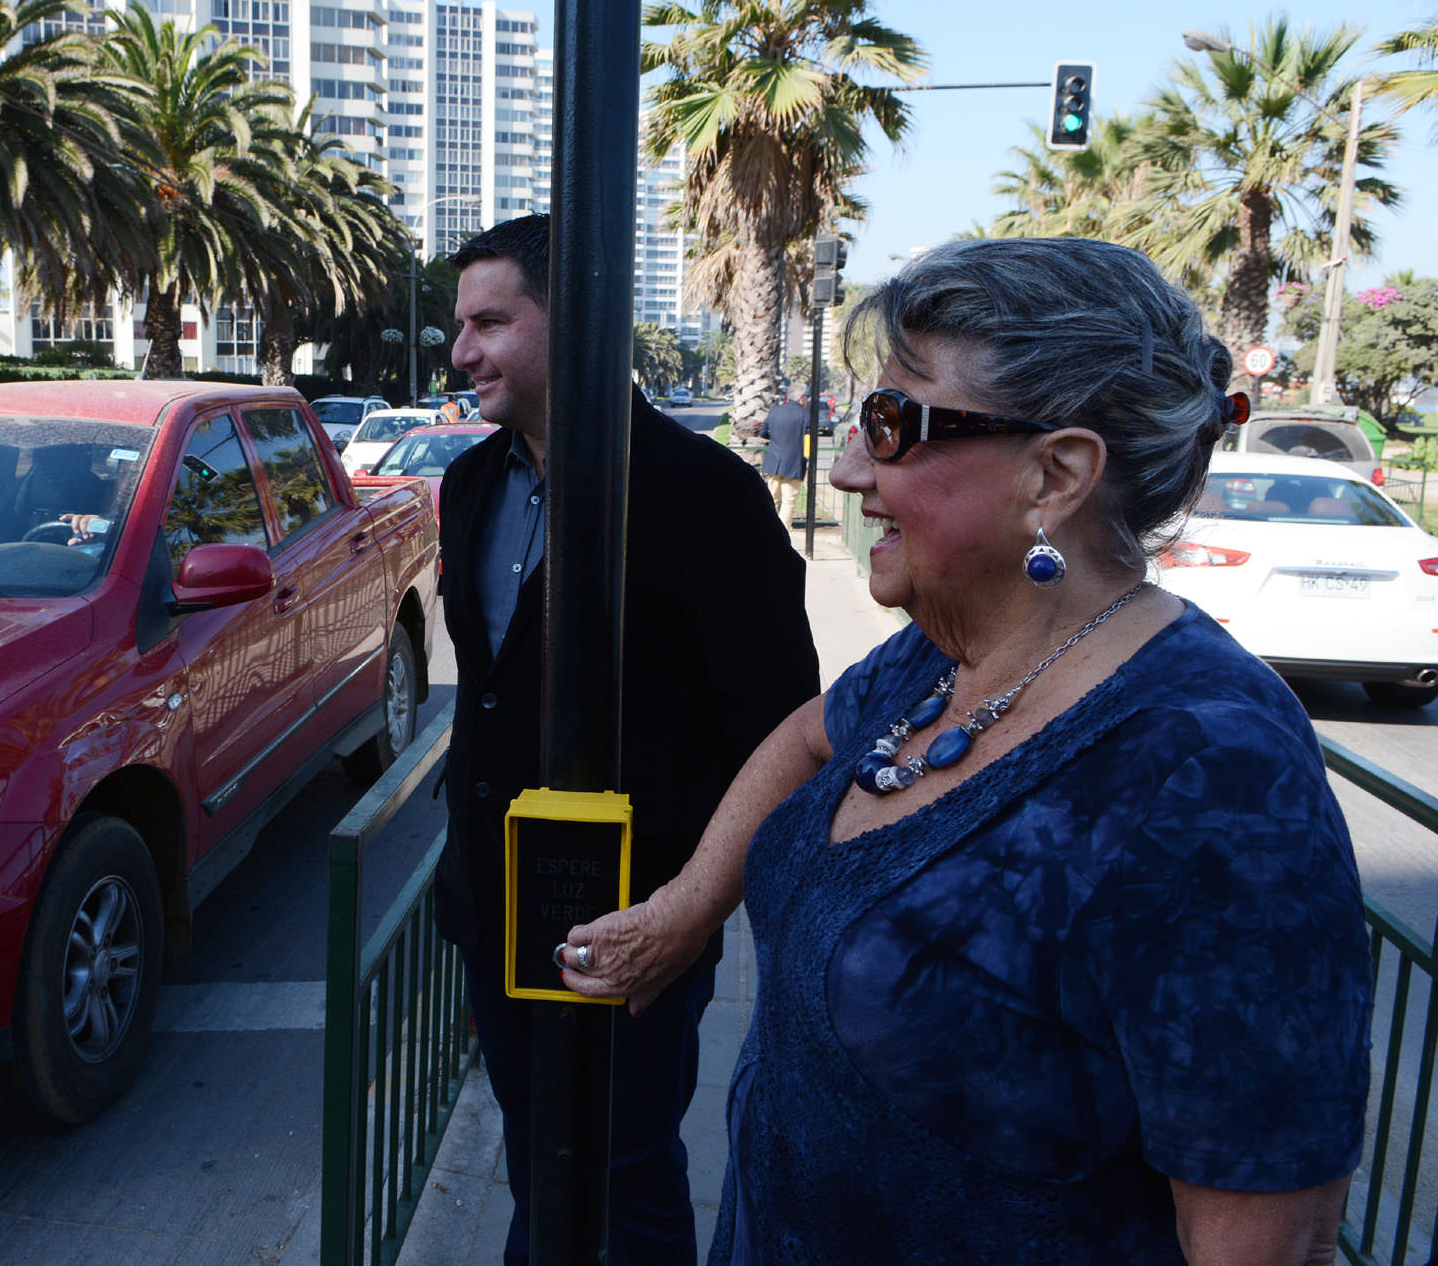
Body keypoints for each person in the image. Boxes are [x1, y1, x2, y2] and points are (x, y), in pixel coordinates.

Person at [554, 237, 1373, 1265]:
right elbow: (806, 738)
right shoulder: (942, 650)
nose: (847, 468)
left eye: (891, 426)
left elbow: (1266, 1240)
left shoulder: (1213, 777)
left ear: (1056, 474)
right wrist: (681, 911)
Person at [437, 213, 819, 1266]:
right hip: (501, 921)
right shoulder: (469, 485)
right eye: (460, 326)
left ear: (577, 323)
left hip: (637, 925)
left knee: (626, 1180)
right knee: (535, 1159)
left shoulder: (707, 495)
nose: (462, 351)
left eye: (489, 322)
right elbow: (485, 704)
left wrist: (689, 914)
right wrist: (475, 915)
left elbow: (780, 730)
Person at [758, 387, 811, 539]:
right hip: (794, 464)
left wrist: (776, 440)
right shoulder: (805, 414)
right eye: (806, 398)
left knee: (772, 499)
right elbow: (808, 439)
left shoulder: (775, 411)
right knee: (789, 501)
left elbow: (763, 432)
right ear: (801, 398)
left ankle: (768, 530)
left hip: (774, 461)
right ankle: (781, 534)